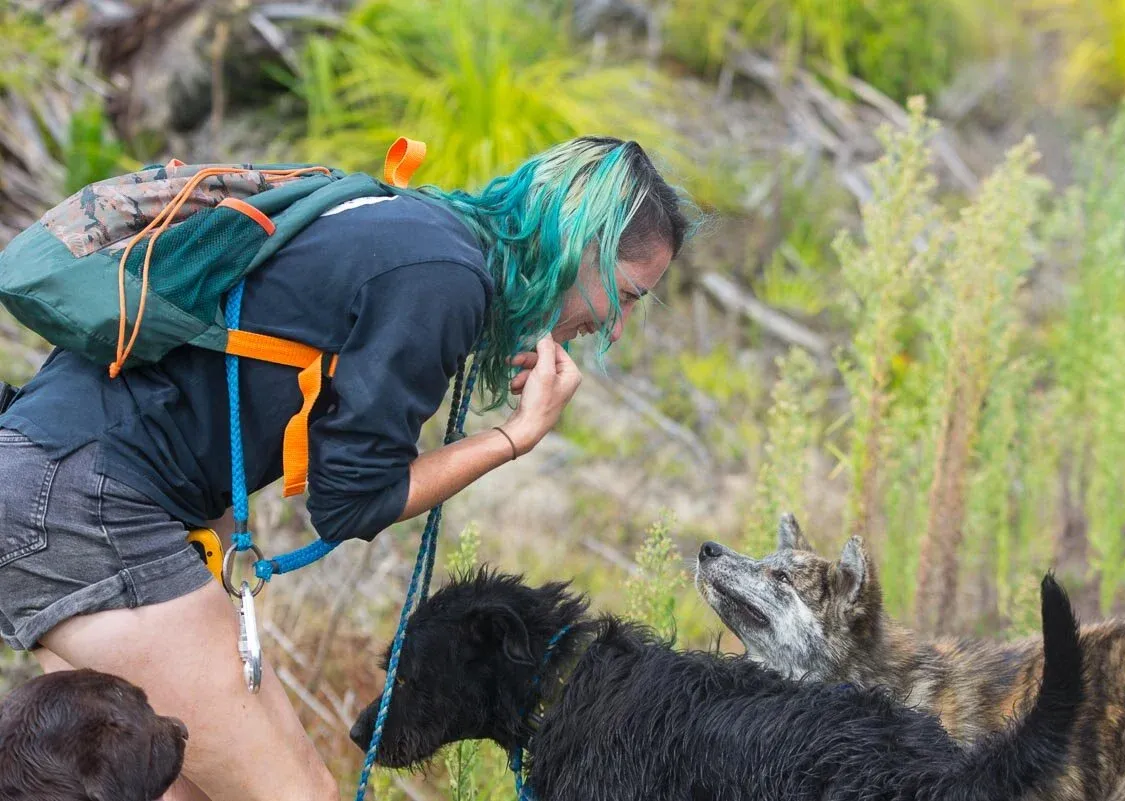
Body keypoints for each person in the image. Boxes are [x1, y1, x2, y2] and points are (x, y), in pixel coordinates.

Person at [0, 136, 691, 801]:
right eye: (627, 295)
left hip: (39, 476)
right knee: (296, 792)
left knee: (180, 789)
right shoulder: (445, 276)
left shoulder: (408, 225)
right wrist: (517, 436)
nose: (617, 328)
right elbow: (351, 501)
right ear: (583, 247)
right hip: (85, 505)